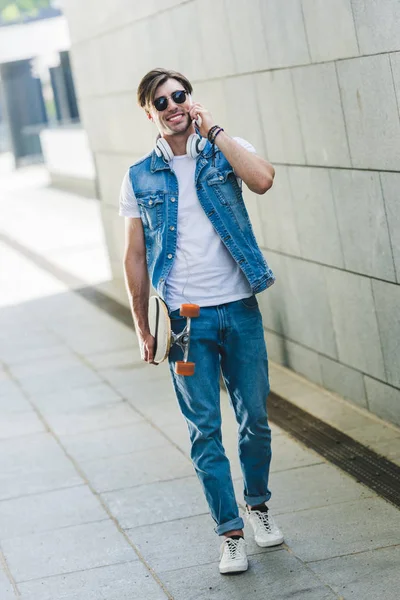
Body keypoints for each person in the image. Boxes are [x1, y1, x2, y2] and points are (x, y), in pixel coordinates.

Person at [120, 68, 283, 574]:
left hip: (239, 309)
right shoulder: (139, 175)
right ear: (148, 112)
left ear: (190, 100)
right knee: (204, 430)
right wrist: (143, 325)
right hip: (187, 323)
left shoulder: (224, 149)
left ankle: (258, 506)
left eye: (179, 96)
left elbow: (262, 180)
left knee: (254, 416)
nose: (172, 105)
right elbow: (134, 255)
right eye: (161, 101)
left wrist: (213, 131)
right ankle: (229, 532)